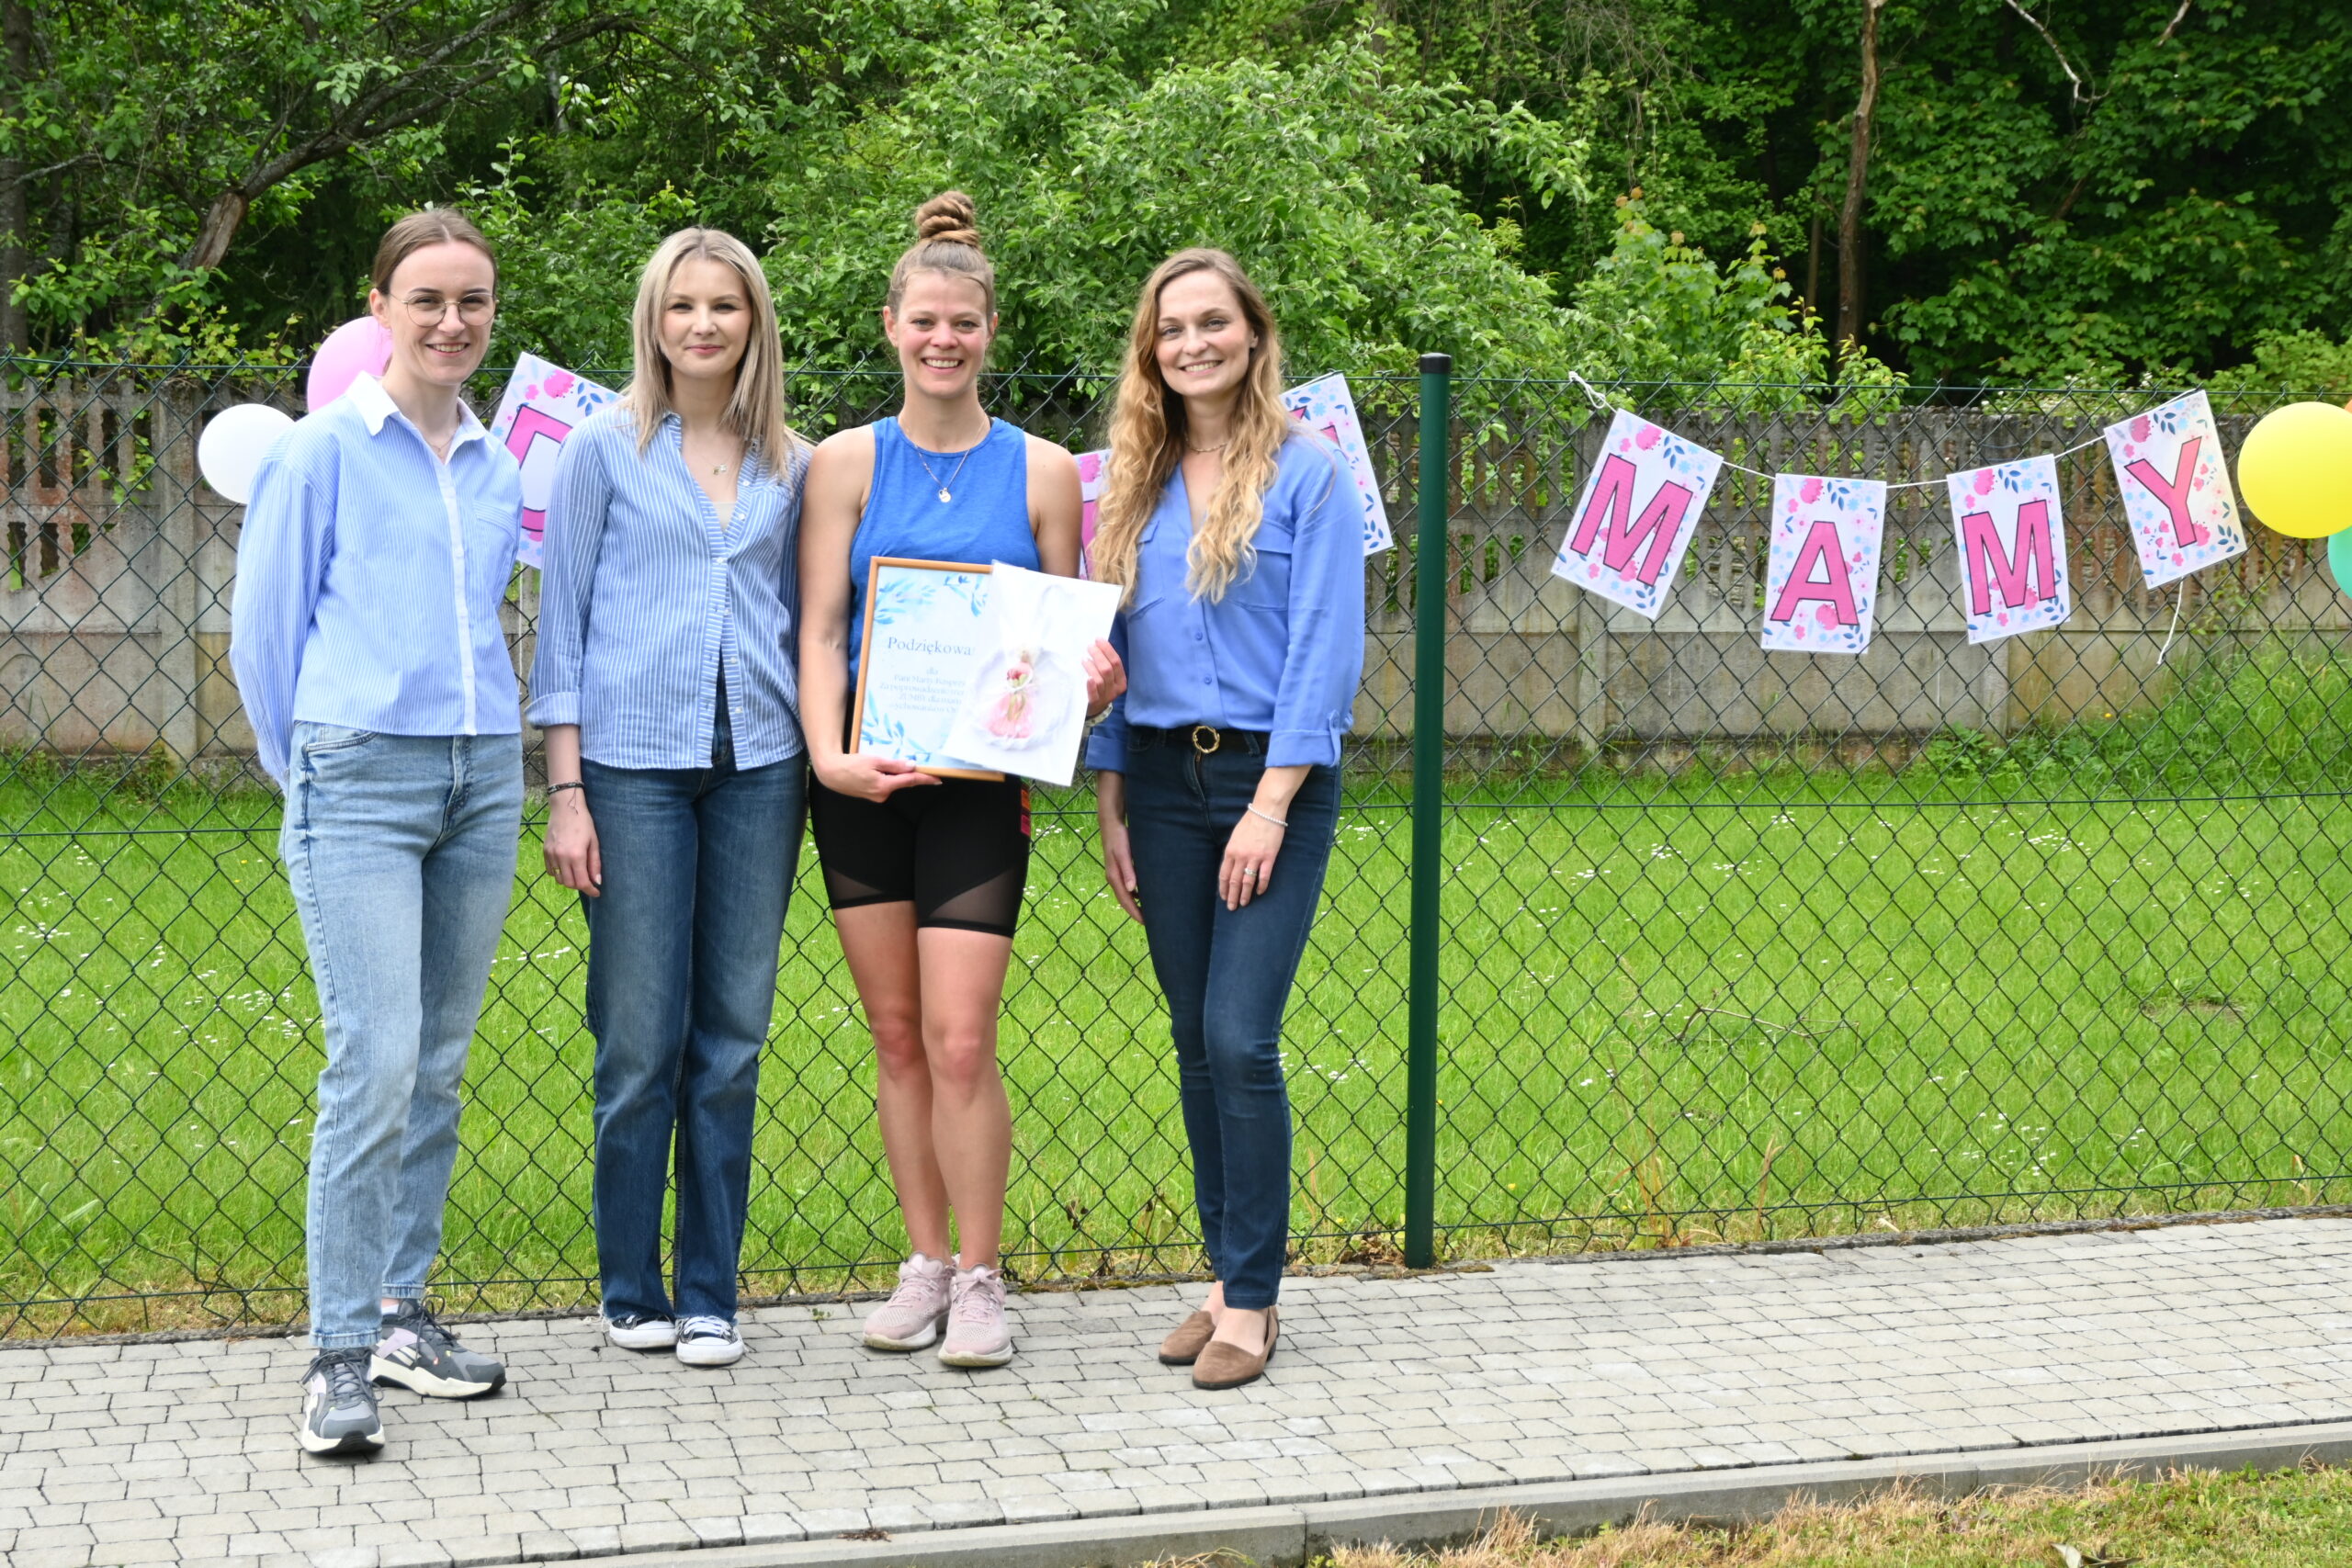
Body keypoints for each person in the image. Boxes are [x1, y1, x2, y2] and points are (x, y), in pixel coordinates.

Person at [797, 191, 1121, 1370]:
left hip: (982, 790)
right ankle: (924, 1263)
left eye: (964, 324)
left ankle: (982, 1279)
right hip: (862, 783)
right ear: (890, 326)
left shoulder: (1042, 471)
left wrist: (1093, 685)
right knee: (894, 1035)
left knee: (959, 1038)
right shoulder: (843, 463)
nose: (944, 341)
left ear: (990, 332)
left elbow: (1066, 645)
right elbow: (819, 630)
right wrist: (829, 755)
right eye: (924, 322)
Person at [231, 209, 525, 1455]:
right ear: (380, 308)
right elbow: (263, 635)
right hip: (357, 773)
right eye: (428, 300)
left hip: (482, 776)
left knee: (439, 1060)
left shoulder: (499, 465)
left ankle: (404, 1313)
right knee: (376, 1059)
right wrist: (304, 768)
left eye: (473, 300)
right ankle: (337, 1355)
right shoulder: (320, 454)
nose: (453, 322)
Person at [531, 229, 812, 1370]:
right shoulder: (601, 451)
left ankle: (709, 1292)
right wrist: (566, 791)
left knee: (730, 1040)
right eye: (682, 304)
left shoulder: (793, 463)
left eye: (724, 306)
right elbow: (560, 629)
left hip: (761, 766)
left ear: (754, 324)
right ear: (653, 320)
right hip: (631, 770)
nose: (703, 324)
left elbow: (816, 621)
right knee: (639, 1040)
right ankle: (628, 1287)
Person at [1084, 249, 1363, 1391]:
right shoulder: (1132, 483)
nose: (1191, 344)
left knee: (1241, 1037)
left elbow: (1324, 652)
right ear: (1149, 351)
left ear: (1253, 334)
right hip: (1156, 786)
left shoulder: (1311, 475)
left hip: (1268, 782)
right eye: (1170, 329)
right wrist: (1109, 799)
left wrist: (1269, 805)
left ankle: (1254, 1299)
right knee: (1195, 1041)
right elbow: (1111, 654)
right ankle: (1223, 1277)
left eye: (1211, 322)